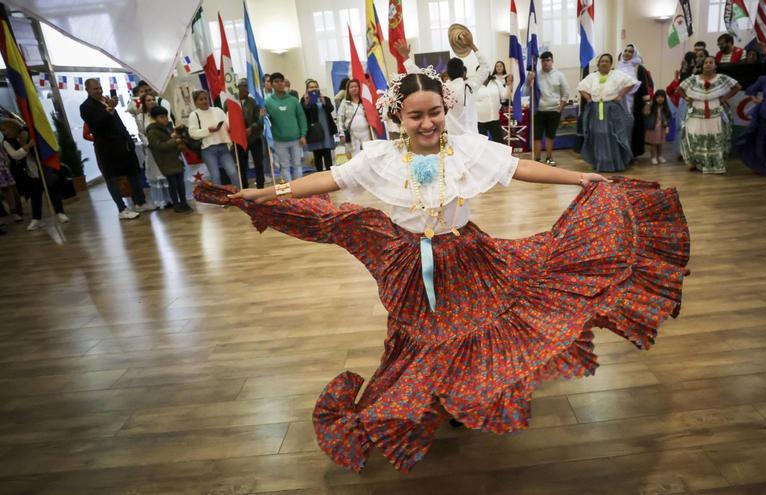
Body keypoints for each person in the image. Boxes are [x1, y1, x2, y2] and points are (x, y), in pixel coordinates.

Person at [193, 67, 690, 473]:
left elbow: (518, 168)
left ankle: (463, 394)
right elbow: (328, 177)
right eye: (415, 116)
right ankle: (436, 396)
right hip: (412, 265)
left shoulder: (467, 148)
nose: (427, 123)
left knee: (481, 328)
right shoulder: (380, 158)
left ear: (445, 110)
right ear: (398, 116)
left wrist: (577, 176)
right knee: (426, 338)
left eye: (434, 112)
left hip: (469, 256)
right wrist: (266, 192)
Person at [80, 78, 152, 219]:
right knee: (112, 178)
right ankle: (122, 209)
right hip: (107, 148)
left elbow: (117, 122)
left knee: (133, 173)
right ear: (87, 90)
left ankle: (140, 203)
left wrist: (127, 138)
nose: (99, 91)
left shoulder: (105, 100)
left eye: (100, 87)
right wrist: (109, 109)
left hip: (123, 144)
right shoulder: (86, 106)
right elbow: (97, 125)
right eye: (95, 89)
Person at [398, 34, 489, 135]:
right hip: (473, 139)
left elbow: (419, 74)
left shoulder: (442, 88)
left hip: (452, 140)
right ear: (464, 72)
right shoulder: (472, 85)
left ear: (447, 73)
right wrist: (472, 45)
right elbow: (485, 67)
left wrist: (405, 57)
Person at [0, 120, 68, 230]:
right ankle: (36, 219)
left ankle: (60, 213)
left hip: (42, 165)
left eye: (4, 129)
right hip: (28, 170)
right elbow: (16, 155)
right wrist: (28, 146)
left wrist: (29, 144)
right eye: (2, 131)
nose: (4, 133)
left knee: (51, 189)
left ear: (11, 126)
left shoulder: (28, 132)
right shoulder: (6, 142)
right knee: (35, 195)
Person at [678, 57, 741, 174]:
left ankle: (714, 165)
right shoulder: (694, 79)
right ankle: (696, 163)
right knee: (695, 135)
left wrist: (725, 98)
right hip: (696, 111)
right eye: (705, 63)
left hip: (714, 111)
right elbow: (680, 89)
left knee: (713, 136)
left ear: (715, 65)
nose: (707, 64)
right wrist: (687, 98)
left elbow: (737, 87)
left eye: (711, 62)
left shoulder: (721, 78)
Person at [578, 53, 638, 172]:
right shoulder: (592, 76)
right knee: (597, 134)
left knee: (612, 134)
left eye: (606, 61)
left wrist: (621, 95)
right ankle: (600, 162)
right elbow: (581, 87)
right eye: (602, 61)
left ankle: (615, 163)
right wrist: (589, 98)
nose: (604, 63)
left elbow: (632, 83)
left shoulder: (616, 75)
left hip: (612, 109)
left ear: (611, 64)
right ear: (598, 64)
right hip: (596, 110)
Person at [188, 90, 240, 188]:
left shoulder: (218, 110)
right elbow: (192, 133)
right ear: (195, 102)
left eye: (205, 98)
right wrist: (208, 130)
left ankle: (238, 195)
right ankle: (219, 199)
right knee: (216, 176)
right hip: (208, 150)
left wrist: (232, 118)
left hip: (223, 146)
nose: (204, 101)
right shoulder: (194, 115)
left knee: (233, 172)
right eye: (201, 99)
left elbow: (227, 125)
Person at [528, 51, 571, 165]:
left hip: (553, 111)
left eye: (547, 60)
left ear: (552, 61)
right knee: (536, 136)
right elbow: (527, 92)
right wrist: (529, 81)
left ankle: (549, 158)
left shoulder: (559, 75)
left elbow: (566, 93)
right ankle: (537, 159)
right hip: (539, 111)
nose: (545, 63)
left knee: (550, 136)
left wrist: (560, 108)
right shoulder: (536, 75)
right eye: (543, 61)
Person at [146, 106, 191, 212]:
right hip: (165, 161)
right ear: (154, 118)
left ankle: (184, 203)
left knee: (181, 183)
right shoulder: (152, 132)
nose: (165, 118)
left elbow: (175, 140)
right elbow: (159, 147)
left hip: (176, 158)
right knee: (173, 184)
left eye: (166, 116)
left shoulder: (169, 127)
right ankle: (176, 204)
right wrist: (175, 140)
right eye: (161, 117)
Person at [265, 72, 308, 181]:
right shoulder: (268, 102)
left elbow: (301, 118)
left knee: (297, 165)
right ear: (271, 84)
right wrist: (261, 116)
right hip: (279, 141)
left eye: (281, 81)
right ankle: (289, 191)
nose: (279, 84)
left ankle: (299, 190)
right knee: (284, 166)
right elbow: (265, 121)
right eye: (276, 82)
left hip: (296, 139)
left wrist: (303, 135)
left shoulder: (293, 100)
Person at [135, 93, 172, 209]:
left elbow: (168, 128)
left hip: (164, 147)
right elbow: (141, 133)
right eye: (148, 100)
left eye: (153, 99)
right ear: (144, 103)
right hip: (151, 150)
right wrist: (149, 143)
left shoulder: (160, 114)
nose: (151, 102)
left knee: (167, 173)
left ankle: (172, 198)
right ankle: (162, 201)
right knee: (157, 174)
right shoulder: (140, 117)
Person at [617, 44, 653, 159]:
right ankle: (621, 152)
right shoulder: (618, 67)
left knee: (634, 127)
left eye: (630, 52)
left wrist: (647, 104)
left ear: (635, 54)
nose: (627, 53)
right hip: (619, 101)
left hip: (635, 103)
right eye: (625, 51)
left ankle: (632, 154)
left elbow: (645, 87)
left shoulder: (639, 68)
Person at [233, 78, 265, 189]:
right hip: (239, 139)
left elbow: (260, 120)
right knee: (242, 165)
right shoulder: (231, 102)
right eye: (245, 86)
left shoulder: (253, 102)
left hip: (254, 137)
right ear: (238, 87)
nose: (247, 88)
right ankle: (245, 187)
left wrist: (251, 129)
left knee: (259, 163)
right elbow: (227, 119)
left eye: (248, 86)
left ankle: (260, 186)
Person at [301, 79, 337, 172]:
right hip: (314, 132)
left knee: (327, 154)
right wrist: (306, 103)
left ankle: (330, 175)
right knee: (317, 155)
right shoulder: (304, 100)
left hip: (326, 130)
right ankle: (319, 174)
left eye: (315, 87)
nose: (314, 89)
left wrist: (324, 102)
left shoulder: (325, 98)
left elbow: (330, 109)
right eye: (311, 87)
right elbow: (303, 113)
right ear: (307, 89)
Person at [667, 52, 696, 160]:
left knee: (691, 127)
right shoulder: (684, 71)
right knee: (681, 126)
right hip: (684, 100)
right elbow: (679, 87)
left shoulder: (696, 71)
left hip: (693, 101)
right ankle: (681, 151)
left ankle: (690, 151)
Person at [336, 79, 372, 158]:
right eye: (351, 87)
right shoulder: (345, 102)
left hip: (366, 133)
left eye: (356, 86)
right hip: (353, 135)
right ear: (348, 90)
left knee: (368, 155)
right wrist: (341, 134)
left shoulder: (364, 101)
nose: (354, 88)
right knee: (356, 157)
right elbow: (339, 119)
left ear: (359, 88)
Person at [476, 62, 511, 143]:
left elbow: (504, 96)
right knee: (482, 145)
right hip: (480, 121)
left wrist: (508, 85)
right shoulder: (475, 86)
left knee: (499, 144)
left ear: (488, 72)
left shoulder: (496, 82)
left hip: (494, 119)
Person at [644, 90, 672, 164]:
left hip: (661, 128)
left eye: (662, 97)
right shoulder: (651, 105)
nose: (660, 99)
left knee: (660, 143)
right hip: (653, 128)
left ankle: (659, 156)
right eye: (658, 97)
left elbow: (669, 116)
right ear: (655, 97)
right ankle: (653, 157)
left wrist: (666, 123)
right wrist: (647, 104)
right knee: (653, 143)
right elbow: (646, 113)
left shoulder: (665, 107)